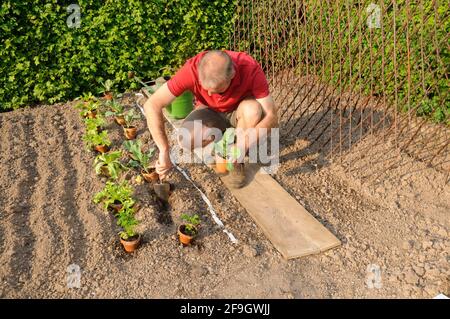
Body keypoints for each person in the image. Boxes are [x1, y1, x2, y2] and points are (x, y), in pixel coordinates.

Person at [143, 50, 278, 188]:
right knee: (187, 138)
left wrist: (244, 144)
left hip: (241, 113)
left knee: (252, 110)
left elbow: (271, 117)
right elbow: (152, 105)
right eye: (204, 88)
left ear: (232, 74)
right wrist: (164, 150)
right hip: (211, 111)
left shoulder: (249, 68)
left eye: (216, 90)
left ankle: (235, 156)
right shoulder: (191, 70)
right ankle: (223, 144)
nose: (209, 93)